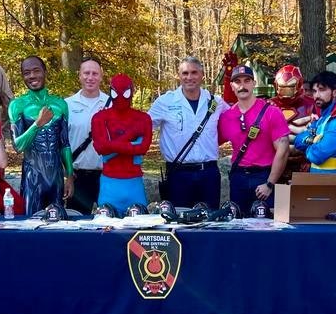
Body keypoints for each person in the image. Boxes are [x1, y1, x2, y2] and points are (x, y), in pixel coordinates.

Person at [148, 57, 229, 208]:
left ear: (202, 75)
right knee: (179, 222)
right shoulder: (166, 102)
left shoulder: (215, 102)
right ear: (179, 75)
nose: (189, 77)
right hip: (178, 174)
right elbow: (143, 126)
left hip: (209, 173)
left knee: (210, 223)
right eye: (185, 73)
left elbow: (236, 119)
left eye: (194, 72)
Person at [270, 47, 336, 178]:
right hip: (273, 165)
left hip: (306, 167)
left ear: (298, 86)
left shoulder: (312, 106)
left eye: (290, 88)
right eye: (283, 88)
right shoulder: (270, 106)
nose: (286, 93)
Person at [218, 65, 290, 215]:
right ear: (232, 86)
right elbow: (211, 141)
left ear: (253, 83)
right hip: (238, 178)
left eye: (247, 81)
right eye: (237, 82)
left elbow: (283, 149)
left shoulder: (271, 112)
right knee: (238, 224)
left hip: (263, 177)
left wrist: (270, 183)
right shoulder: (226, 117)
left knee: (265, 226)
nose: (242, 86)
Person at [9, 56, 74, 216]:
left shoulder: (60, 104)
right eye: (27, 73)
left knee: (58, 223)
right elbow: (18, 146)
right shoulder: (17, 105)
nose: (31, 76)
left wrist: (70, 176)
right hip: (33, 176)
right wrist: (37, 124)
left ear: (45, 72)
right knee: (30, 224)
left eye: (36, 71)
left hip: (56, 176)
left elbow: (64, 144)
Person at [91, 74, 152, 214]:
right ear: (110, 91)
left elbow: (142, 148)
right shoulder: (100, 118)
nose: (120, 97)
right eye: (115, 92)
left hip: (134, 184)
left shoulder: (143, 118)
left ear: (131, 91)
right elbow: (100, 147)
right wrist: (131, 136)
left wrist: (110, 146)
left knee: (139, 231)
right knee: (106, 230)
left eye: (125, 93)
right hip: (109, 185)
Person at [65, 58, 109, 214]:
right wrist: (68, 175)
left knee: (110, 225)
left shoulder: (111, 104)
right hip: (78, 176)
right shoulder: (67, 105)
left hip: (107, 176)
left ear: (101, 76)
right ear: (79, 76)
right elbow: (62, 143)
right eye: (86, 73)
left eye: (95, 73)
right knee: (77, 226)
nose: (90, 77)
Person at [294, 71, 336, 173]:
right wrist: (314, 140)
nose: (316, 95)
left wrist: (308, 142)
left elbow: (316, 156)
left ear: (335, 92)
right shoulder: (322, 118)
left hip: (332, 183)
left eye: (321, 90)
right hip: (318, 182)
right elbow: (297, 141)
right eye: (314, 91)